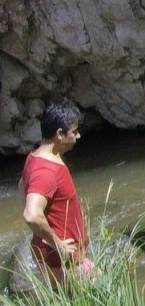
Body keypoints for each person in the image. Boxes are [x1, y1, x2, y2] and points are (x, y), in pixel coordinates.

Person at [20, 100, 92, 287]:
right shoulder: (46, 171)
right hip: (61, 258)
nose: (78, 136)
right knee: (95, 292)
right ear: (59, 134)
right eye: (74, 131)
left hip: (63, 255)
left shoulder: (36, 157)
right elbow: (31, 214)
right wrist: (58, 244)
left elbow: (21, 186)